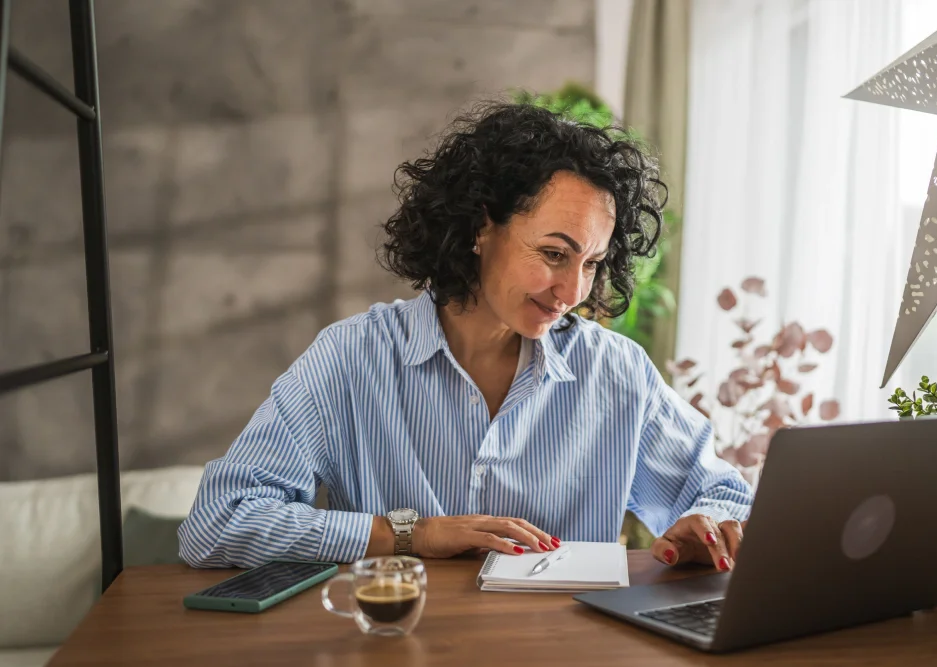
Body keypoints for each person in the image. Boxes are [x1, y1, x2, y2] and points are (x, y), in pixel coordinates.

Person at [178, 101, 752, 574]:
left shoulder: (617, 371)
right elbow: (217, 524)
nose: (572, 290)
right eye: (553, 254)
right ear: (482, 227)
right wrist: (411, 535)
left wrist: (708, 528)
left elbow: (726, 495)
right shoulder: (351, 359)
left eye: (592, 263)